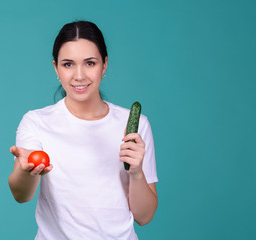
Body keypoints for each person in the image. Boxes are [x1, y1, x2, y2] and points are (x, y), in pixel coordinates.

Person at [8, 21, 158, 240]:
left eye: (90, 63)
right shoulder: (36, 122)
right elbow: (21, 195)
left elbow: (144, 217)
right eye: (68, 64)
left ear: (104, 65)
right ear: (56, 68)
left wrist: (136, 173)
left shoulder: (136, 125)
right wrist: (25, 171)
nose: (79, 75)